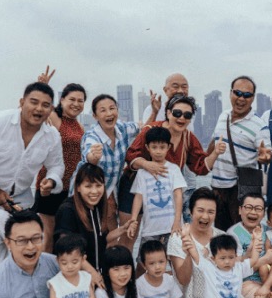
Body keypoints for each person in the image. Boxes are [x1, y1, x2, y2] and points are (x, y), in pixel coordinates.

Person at [0, 81, 63, 213]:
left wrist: (51, 180)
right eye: (34, 102)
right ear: (22, 103)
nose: (39, 108)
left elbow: (56, 165)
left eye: (45, 105)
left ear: (51, 109)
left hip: (21, 201)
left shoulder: (52, 135)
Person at [126, 95, 223, 211]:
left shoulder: (188, 138)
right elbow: (131, 155)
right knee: (133, 226)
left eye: (187, 115)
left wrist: (215, 153)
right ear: (168, 113)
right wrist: (146, 164)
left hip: (166, 191)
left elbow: (201, 166)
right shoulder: (151, 129)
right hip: (136, 188)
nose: (182, 118)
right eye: (177, 113)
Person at [77, 94, 141, 246]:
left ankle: (109, 266)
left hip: (110, 191)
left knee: (110, 237)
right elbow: (89, 156)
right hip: (89, 193)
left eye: (112, 108)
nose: (109, 113)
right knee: (94, 239)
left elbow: (140, 127)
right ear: (95, 115)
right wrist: (94, 156)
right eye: (103, 110)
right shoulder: (92, 136)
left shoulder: (121, 128)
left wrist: (154, 111)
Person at [209, 76, 272, 230]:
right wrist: (202, 161)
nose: (241, 99)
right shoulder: (223, 116)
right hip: (218, 188)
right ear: (230, 93)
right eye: (237, 93)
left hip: (241, 189)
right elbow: (213, 143)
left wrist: (265, 157)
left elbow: (266, 154)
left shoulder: (259, 125)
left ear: (253, 98)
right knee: (220, 235)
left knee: (242, 233)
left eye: (247, 95)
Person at [54, 163, 133, 277]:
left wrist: (123, 229)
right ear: (78, 187)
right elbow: (68, 249)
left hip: (96, 272)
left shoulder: (97, 207)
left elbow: (101, 238)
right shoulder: (68, 210)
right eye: (88, 186)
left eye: (98, 185)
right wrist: (93, 274)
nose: (94, 191)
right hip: (77, 276)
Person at [36, 83, 87, 252]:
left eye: (80, 101)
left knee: (67, 236)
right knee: (48, 235)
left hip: (70, 189)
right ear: (62, 99)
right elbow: (35, 111)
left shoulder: (79, 125)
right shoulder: (54, 117)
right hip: (50, 184)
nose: (76, 104)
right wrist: (42, 86)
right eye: (72, 99)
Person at [128, 126, 187, 247]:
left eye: (162, 147)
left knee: (174, 261)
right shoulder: (142, 173)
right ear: (147, 148)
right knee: (147, 262)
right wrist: (133, 220)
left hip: (172, 228)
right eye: (154, 147)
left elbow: (178, 195)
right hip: (150, 229)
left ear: (168, 147)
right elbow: (138, 197)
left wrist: (177, 221)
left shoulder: (173, 169)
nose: (158, 151)